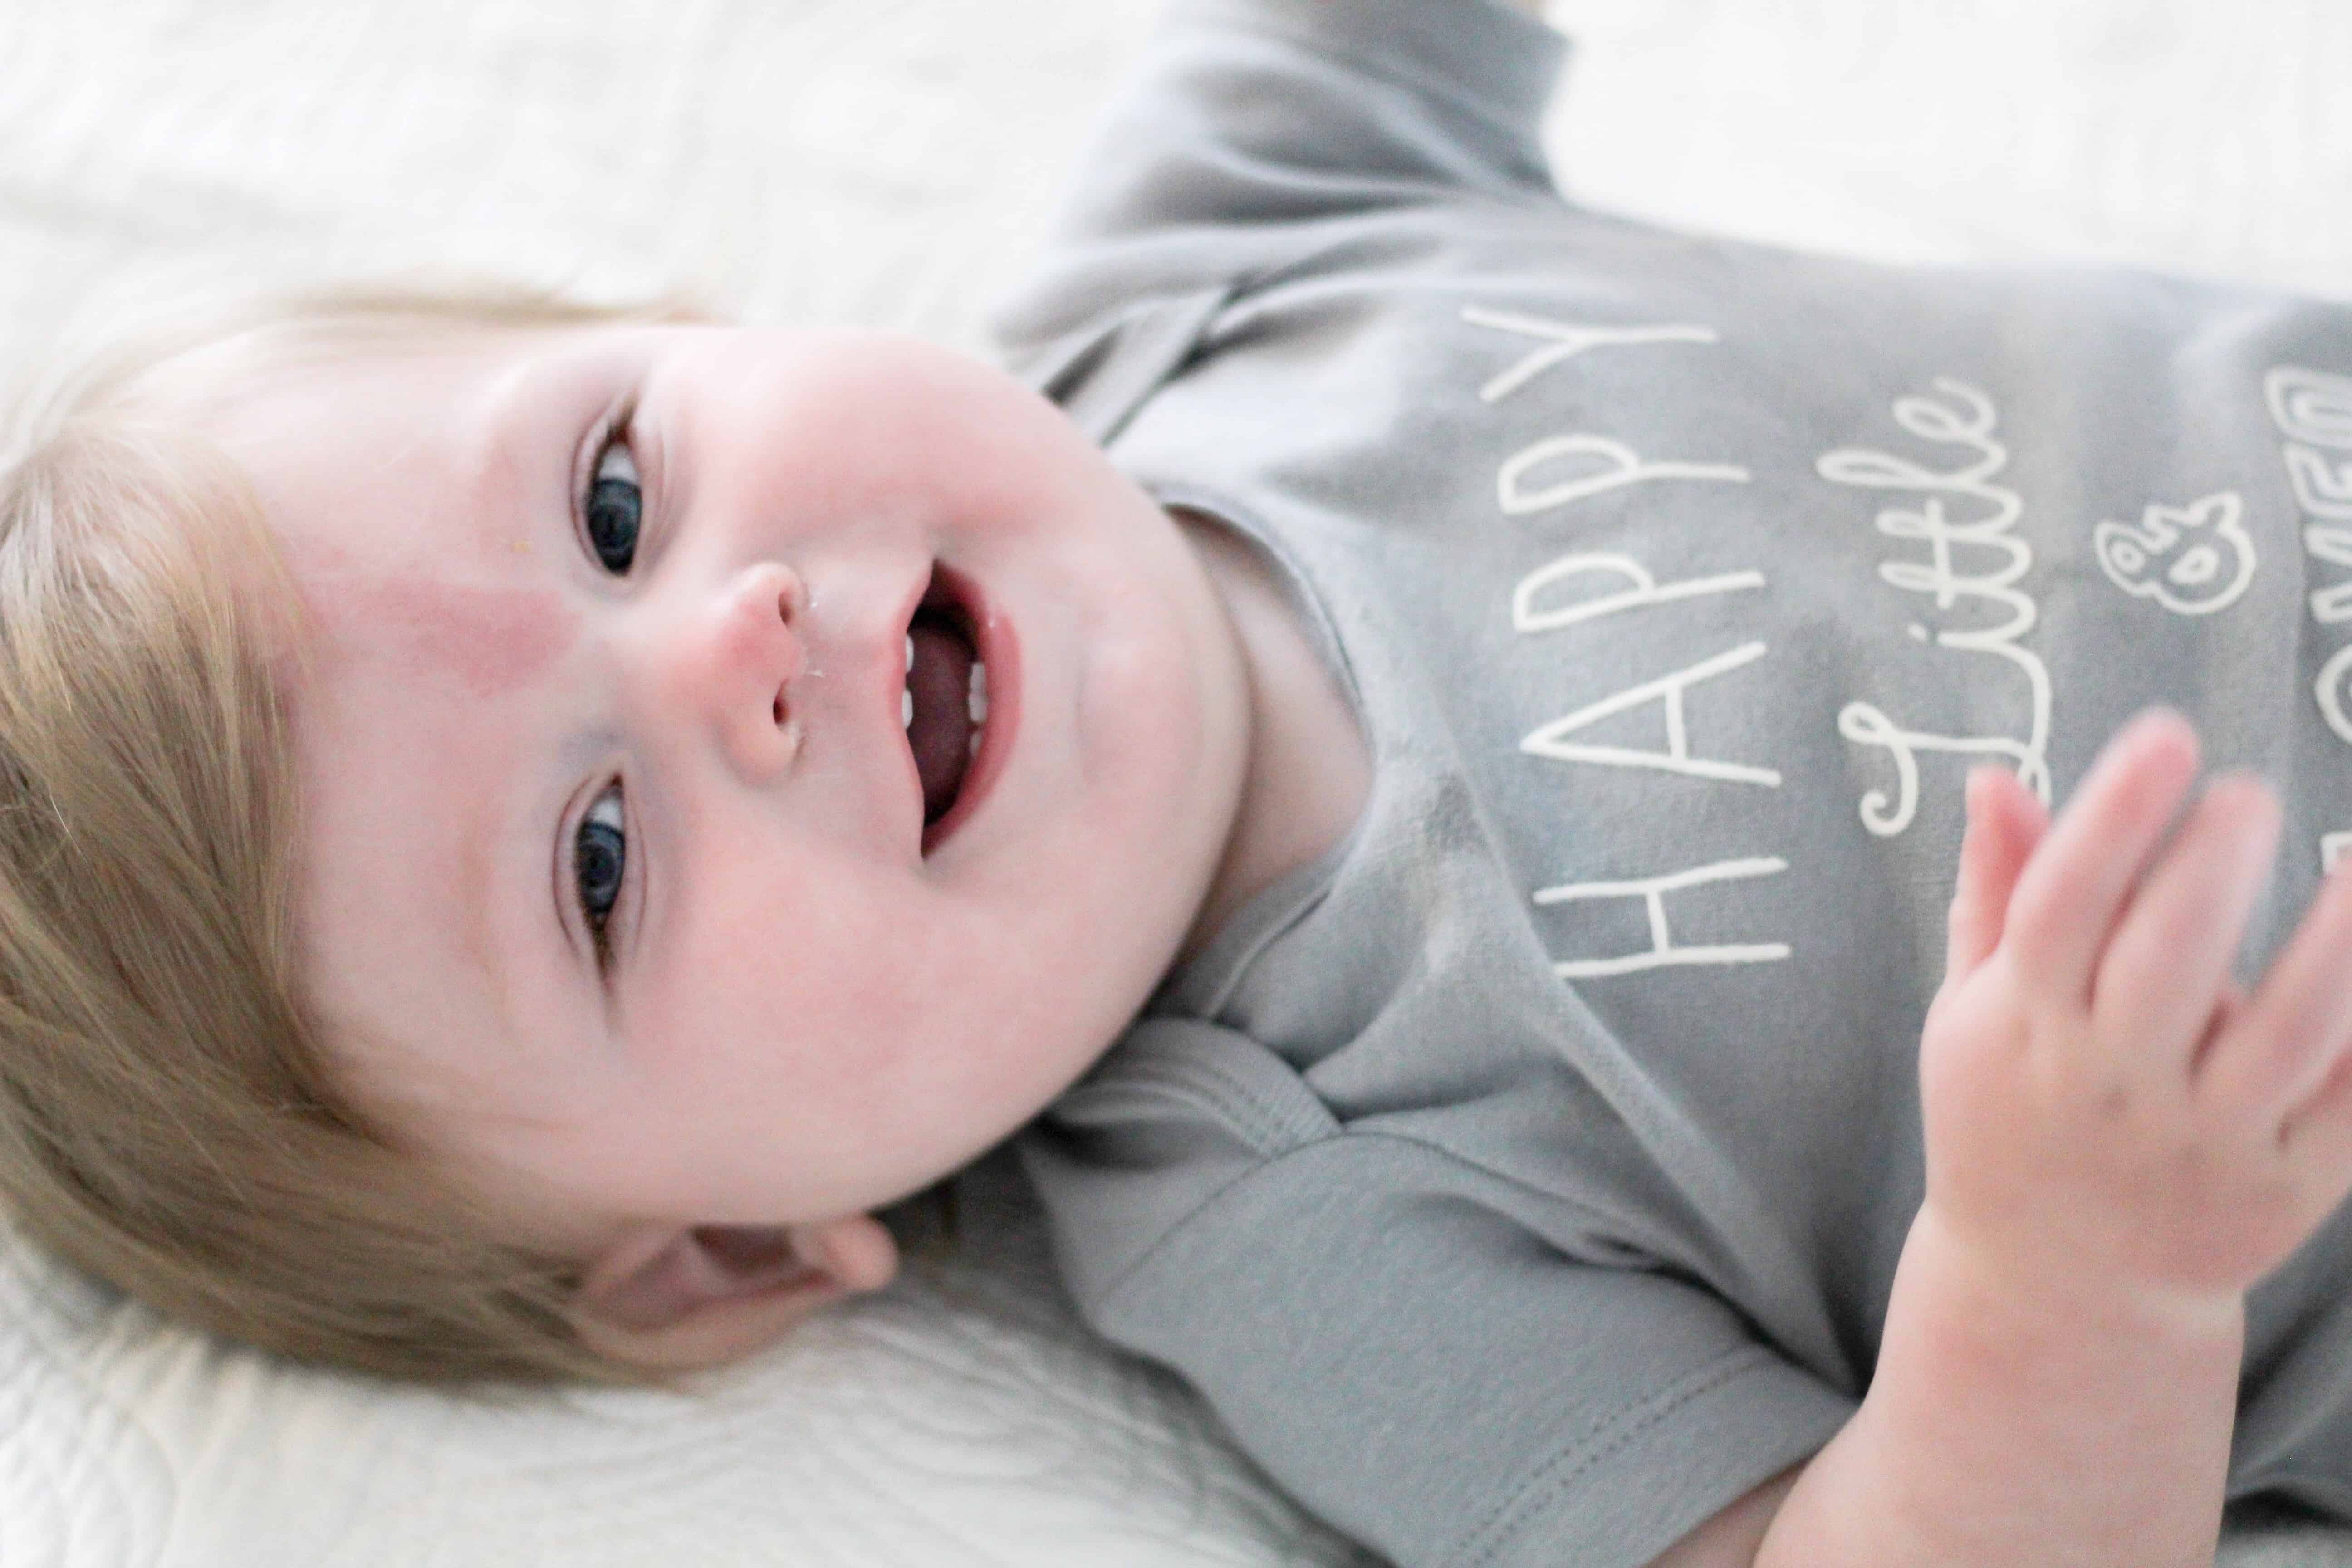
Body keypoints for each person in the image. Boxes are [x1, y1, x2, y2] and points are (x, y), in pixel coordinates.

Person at [4, 0, 2352, 1564]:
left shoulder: (1217, 259)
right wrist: (2078, 1274)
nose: (737, 639)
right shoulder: (1305, 1222)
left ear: (701, 327)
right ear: (719, 1257)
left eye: (616, 495)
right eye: (599, 862)